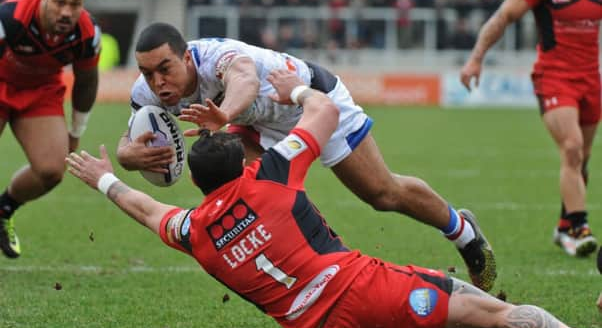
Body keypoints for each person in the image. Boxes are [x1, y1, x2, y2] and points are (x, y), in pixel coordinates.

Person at [67, 70, 602, 328]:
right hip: (364, 291)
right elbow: (323, 112)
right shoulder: (272, 176)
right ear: (243, 166)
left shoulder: (193, 230)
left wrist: (104, 179)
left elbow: (148, 209)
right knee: (488, 308)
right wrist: (295, 88)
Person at [116, 23, 497, 292]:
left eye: (165, 69)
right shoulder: (148, 89)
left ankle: (464, 231)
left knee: (382, 194)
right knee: (259, 200)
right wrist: (128, 156)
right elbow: (129, 136)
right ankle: (330, 268)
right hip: (254, 123)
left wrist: (225, 116)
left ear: (185, 57)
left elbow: (245, 79)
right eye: (148, 74)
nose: (158, 83)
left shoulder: (216, 55)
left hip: (310, 101)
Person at [460, 0, 600, 258]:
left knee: (582, 160)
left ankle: (564, 227)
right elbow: (503, 17)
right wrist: (476, 57)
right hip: (554, 78)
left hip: (591, 79)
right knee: (572, 148)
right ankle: (579, 228)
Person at [0, 0, 100, 259]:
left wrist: (76, 132)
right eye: (59, 2)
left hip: (41, 92)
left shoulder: (86, 33)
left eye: (75, 4)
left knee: (52, 170)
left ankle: (3, 211)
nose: (67, 12)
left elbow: (86, 82)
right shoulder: (10, 18)